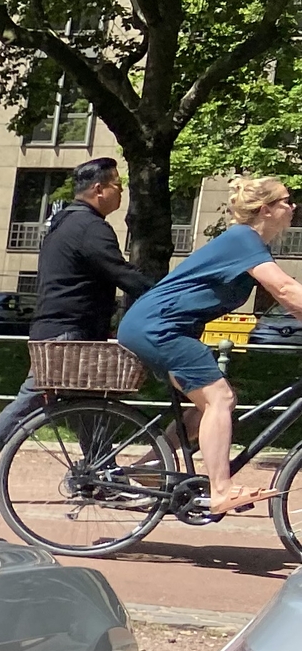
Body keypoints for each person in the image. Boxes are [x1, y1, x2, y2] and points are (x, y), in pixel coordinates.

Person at [0, 157, 152, 500]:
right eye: (118, 186)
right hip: (68, 331)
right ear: (99, 189)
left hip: (61, 328)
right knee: (31, 401)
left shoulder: (64, 222)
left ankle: (104, 476)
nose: (121, 193)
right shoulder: (90, 228)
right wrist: (162, 296)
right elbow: (121, 272)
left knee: (87, 401)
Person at [117, 176, 302, 514]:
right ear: (266, 209)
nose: (293, 207)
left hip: (156, 325)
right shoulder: (244, 240)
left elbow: (288, 298)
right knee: (221, 397)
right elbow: (286, 291)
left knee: (210, 403)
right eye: (287, 201)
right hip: (160, 327)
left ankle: (148, 468)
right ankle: (220, 490)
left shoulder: (250, 244)